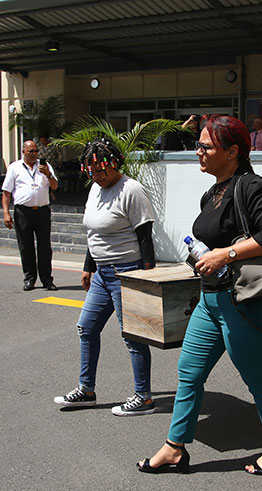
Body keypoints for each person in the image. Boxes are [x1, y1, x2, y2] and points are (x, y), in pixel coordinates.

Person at [137, 116, 262, 476]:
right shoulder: (212, 192)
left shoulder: (253, 186)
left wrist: (227, 254)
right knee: (189, 374)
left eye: (207, 146)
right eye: (200, 145)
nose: (199, 151)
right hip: (209, 300)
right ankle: (175, 448)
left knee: (257, 380)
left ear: (233, 151)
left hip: (244, 302)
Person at [53, 138, 156, 415]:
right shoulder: (95, 191)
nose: (98, 177)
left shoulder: (131, 190)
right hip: (101, 274)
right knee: (86, 328)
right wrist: (89, 266)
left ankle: (144, 397)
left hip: (127, 273)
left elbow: (145, 237)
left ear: (114, 164)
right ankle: (86, 390)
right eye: (92, 172)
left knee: (133, 337)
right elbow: (93, 234)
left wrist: (146, 280)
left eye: (101, 170)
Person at [1, 140, 59, 291]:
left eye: (35, 151)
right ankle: (29, 279)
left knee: (45, 247)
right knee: (26, 247)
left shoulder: (45, 166)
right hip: (23, 212)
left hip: (42, 211)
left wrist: (48, 174)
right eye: (30, 151)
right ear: (23, 152)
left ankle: (47, 280)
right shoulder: (15, 167)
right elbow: (6, 192)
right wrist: (6, 213)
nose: (34, 154)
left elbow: (55, 186)